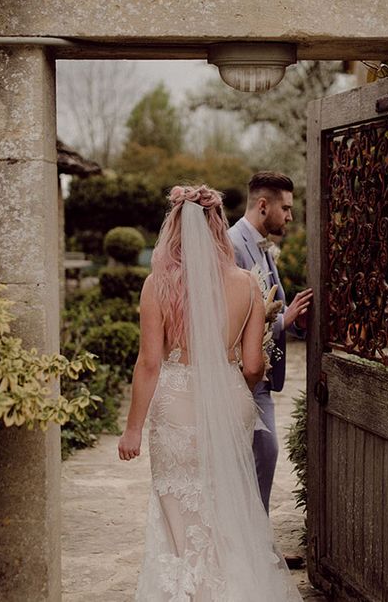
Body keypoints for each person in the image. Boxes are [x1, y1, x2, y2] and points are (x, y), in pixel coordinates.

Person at [118, 184, 302, 601]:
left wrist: (132, 429)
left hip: (177, 406)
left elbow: (149, 362)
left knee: (180, 520)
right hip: (232, 402)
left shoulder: (157, 285)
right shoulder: (247, 285)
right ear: (218, 225)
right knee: (227, 508)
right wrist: (233, 387)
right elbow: (254, 365)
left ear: (174, 228)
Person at [228, 172, 313, 513]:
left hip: (262, 373)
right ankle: (249, 537)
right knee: (259, 453)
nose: (290, 217)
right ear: (263, 206)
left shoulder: (262, 246)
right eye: (287, 208)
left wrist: (296, 323)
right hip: (242, 374)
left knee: (263, 454)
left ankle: (254, 536)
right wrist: (284, 319)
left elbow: (269, 305)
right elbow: (231, 316)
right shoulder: (232, 246)